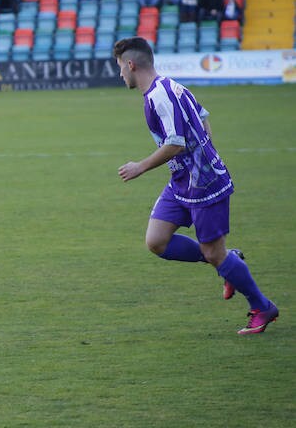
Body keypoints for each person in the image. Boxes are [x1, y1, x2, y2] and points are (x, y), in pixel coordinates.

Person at [113, 37, 278, 335]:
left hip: (204, 185)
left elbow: (175, 143)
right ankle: (229, 261)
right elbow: (203, 118)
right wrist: (205, 151)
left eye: (120, 69)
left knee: (214, 253)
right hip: (181, 181)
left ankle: (262, 306)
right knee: (156, 241)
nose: (120, 75)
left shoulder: (160, 96)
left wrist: (141, 166)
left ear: (131, 64)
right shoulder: (170, 86)